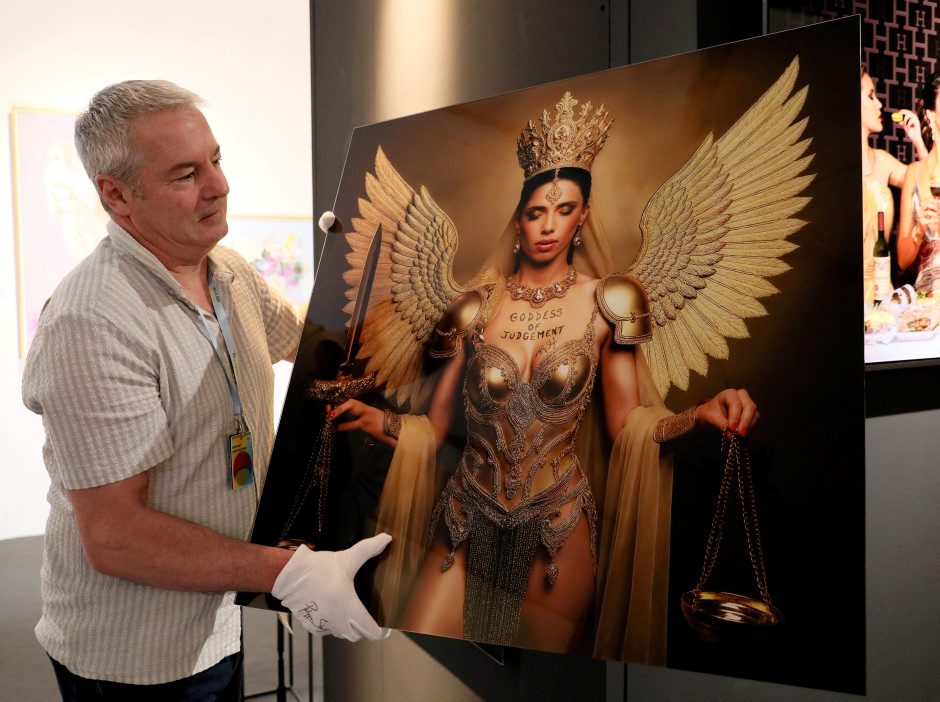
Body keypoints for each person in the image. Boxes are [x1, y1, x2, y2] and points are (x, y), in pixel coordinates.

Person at [329, 94, 759, 663]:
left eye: (565, 209)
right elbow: (433, 431)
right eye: (536, 212)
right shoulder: (475, 306)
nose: (548, 225)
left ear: (584, 215)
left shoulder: (610, 302)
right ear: (519, 218)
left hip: (558, 527)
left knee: (541, 685)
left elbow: (628, 426)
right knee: (414, 659)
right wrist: (376, 420)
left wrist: (697, 416)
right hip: (464, 518)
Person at [22, 80, 391, 701]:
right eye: (186, 174)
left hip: (215, 617)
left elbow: (312, 346)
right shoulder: (92, 321)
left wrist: (352, 280)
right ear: (116, 194)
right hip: (134, 655)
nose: (219, 185)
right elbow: (116, 538)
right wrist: (289, 572)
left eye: (215, 160)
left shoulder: (230, 273)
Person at [860, 65, 926, 300]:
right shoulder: (834, 166)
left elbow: (927, 185)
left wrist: (917, 140)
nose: (879, 104)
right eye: (870, 96)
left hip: (881, 293)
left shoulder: (882, 161)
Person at [898, 72, 940, 293]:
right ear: (931, 114)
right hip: (927, 301)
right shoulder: (914, 173)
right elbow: (903, 260)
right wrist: (920, 228)